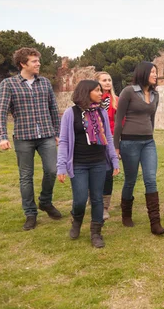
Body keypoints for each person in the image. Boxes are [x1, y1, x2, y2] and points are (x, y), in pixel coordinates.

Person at [0, 47, 62, 231]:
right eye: (34, 61)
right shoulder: (8, 84)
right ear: (23, 64)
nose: (38, 63)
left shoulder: (45, 83)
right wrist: (2, 136)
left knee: (52, 170)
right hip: (24, 137)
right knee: (26, 177)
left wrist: (57, 132)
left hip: (46, 135)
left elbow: (53, 109)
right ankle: (30, 213)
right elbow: (1, 112)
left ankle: (45, 202)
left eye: (38, 60)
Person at [56, 80, 120, 248]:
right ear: (86, 92)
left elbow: (109, 138)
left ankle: (96, 233)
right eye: (97, 90)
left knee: (97, 198)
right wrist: (61, 166)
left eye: (101, 91)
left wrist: (114, 160)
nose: (101, 93)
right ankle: (76, 221)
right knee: (80, 199)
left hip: (99, 162)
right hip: (78, 164)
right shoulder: (71, 113)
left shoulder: (101, 113)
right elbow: (63, 141)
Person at [114, 61, 164, 235]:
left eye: (156, 72)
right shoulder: (128, 92)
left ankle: (155, 223)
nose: (155, 75)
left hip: (148, 142)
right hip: (129, 142)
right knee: (130, 180)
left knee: (150, 179)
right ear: (143, 73)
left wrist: (149, 134)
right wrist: (116, 146)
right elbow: (118, 120)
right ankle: (126, 214)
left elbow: (151, 118)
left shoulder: (155, 95)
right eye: (152, 72)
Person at [94, 71, 119, 219]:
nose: (108, 83)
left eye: (109, 80)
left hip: (111, 139)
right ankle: (93, 199)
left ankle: (104, 206)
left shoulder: (116, 100)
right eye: (104, 80)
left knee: (108, 173)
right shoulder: (91, 100)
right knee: (95, 171)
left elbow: (121, 122)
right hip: (94, 140)